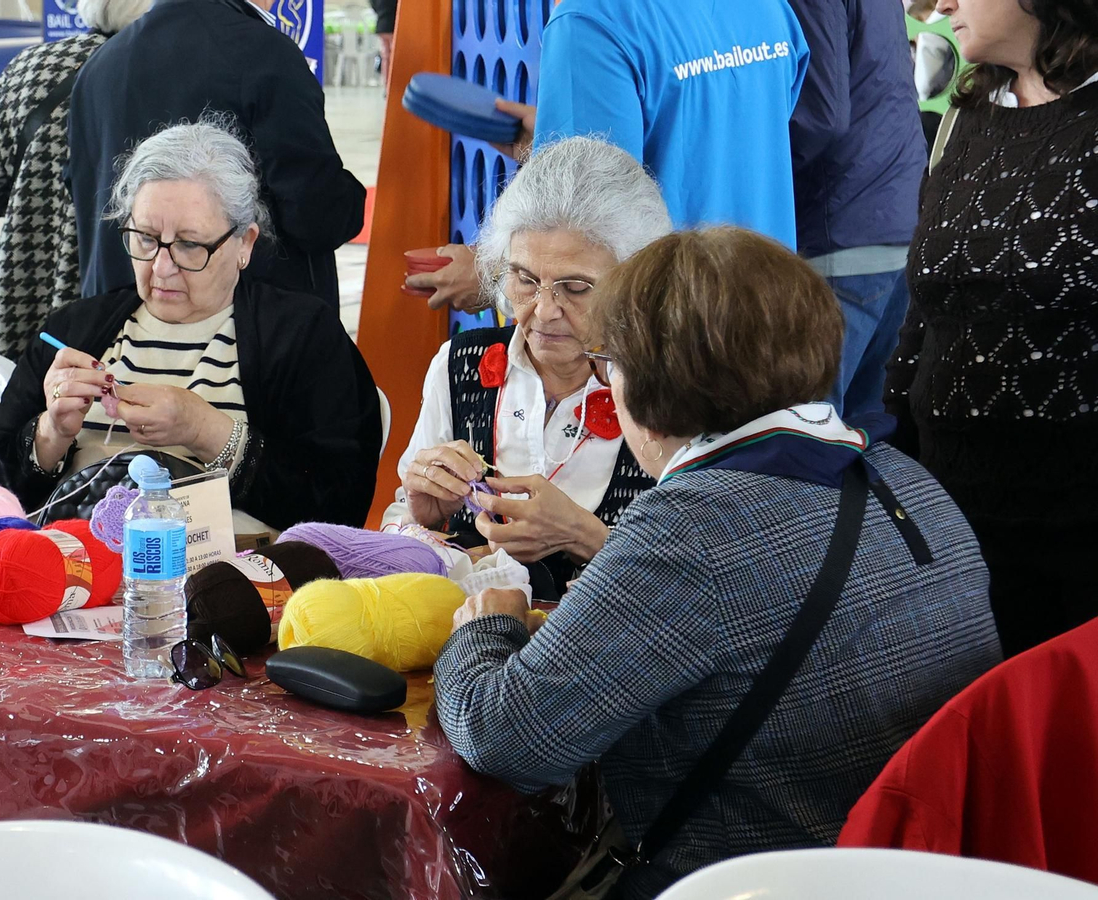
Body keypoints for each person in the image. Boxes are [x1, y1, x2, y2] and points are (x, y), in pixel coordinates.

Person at [436, 228, 1002, 900]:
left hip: (755, 882)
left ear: (646, 384)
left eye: (606, 362)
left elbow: (507, 738)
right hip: (932, 873)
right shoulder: (907, 480)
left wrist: (486, 627)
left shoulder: (694, 528)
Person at [0, 119, 380, 530]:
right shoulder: (75, 331)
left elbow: (341, 504)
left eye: (189, 245)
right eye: (145, 238)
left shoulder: (302, 335)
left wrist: (205, 430)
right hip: (70, 578)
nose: (162, 267)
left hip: (232, 583)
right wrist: (50, 434)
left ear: (244, 244)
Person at [886, 0, 1098, 657]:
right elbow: (925, 310)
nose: (941, 2)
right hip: (948, 519)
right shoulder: (968, 113)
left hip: (1076, 537)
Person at [386, 138, 668, 586]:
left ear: (634, 283)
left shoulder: (668, 387)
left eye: (575, 288)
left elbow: (693, 578)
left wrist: (585, 535)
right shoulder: (461, 364)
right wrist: (425, 517)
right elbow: (398, 526)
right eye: (524, 278)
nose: (543, 309)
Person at [408, 0, 811, 310]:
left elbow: (576, 248)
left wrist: (489, 278)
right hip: (771, 314)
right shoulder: (767, 8)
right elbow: (737, 134)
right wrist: (557, 136)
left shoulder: (590, 21)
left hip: (670, 336)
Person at [66, 0, 366, 307]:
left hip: (120, 321)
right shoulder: (263, 52)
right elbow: (317, 215)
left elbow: (84, 194)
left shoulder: (101, 64)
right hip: (242, 331)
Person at [0, 0, 152, 360]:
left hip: (25, 299)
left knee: (24, 410)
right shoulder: (157, 75)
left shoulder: (28, 68)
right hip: (111, 305)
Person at [785, 0, 926, 420]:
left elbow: (819, 115)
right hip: (893, 211)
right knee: (866, 432)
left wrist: (752, 178)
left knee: (805, 436)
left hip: (842, 227)